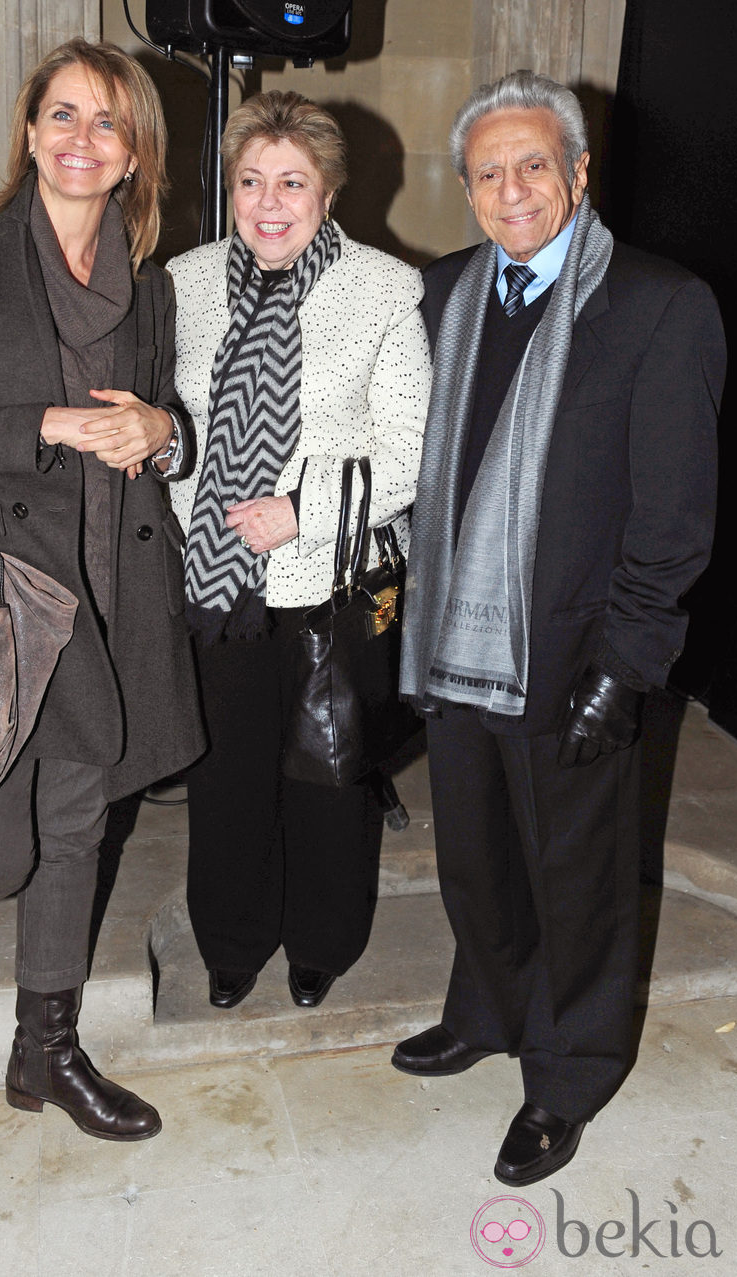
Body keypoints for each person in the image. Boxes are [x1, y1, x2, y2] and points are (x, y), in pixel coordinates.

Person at [397, 70, 725, 1185]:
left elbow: (672, 516)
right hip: (452, 641)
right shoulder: (440, 294)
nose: (511, 188)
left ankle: (569, 1070)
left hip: (576, 652)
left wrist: (624, 668)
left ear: (578, 172)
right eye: (487, 172)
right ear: (468, 191)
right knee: (475, 858)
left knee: (577, 876)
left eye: (533, 163)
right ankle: (486, 1006)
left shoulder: (655, 302)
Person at [0, 39, 204, 1141]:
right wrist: (43, 427)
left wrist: (165, 431)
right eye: (60, 116)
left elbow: (161, 429)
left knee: (76, 827)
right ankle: (36, 1029)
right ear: (28, 135)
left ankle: (45, 1053)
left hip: (109, 601)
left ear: (132, 160)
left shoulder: (149, 291)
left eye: (105, 123)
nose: (80, 139)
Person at [167, 91, 431, 1012]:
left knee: (326, 772)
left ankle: (323, 940)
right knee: (226, 777)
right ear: (229, 186)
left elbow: (410, 448)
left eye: (291, 181)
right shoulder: (186, 281)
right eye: (250, 181)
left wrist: (299, 509)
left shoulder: (386, 288)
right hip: (216, 582)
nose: (268, 202)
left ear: (327, 191)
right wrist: (172, 461)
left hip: (331, 578)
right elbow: (177, 427)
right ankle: (233, 940)